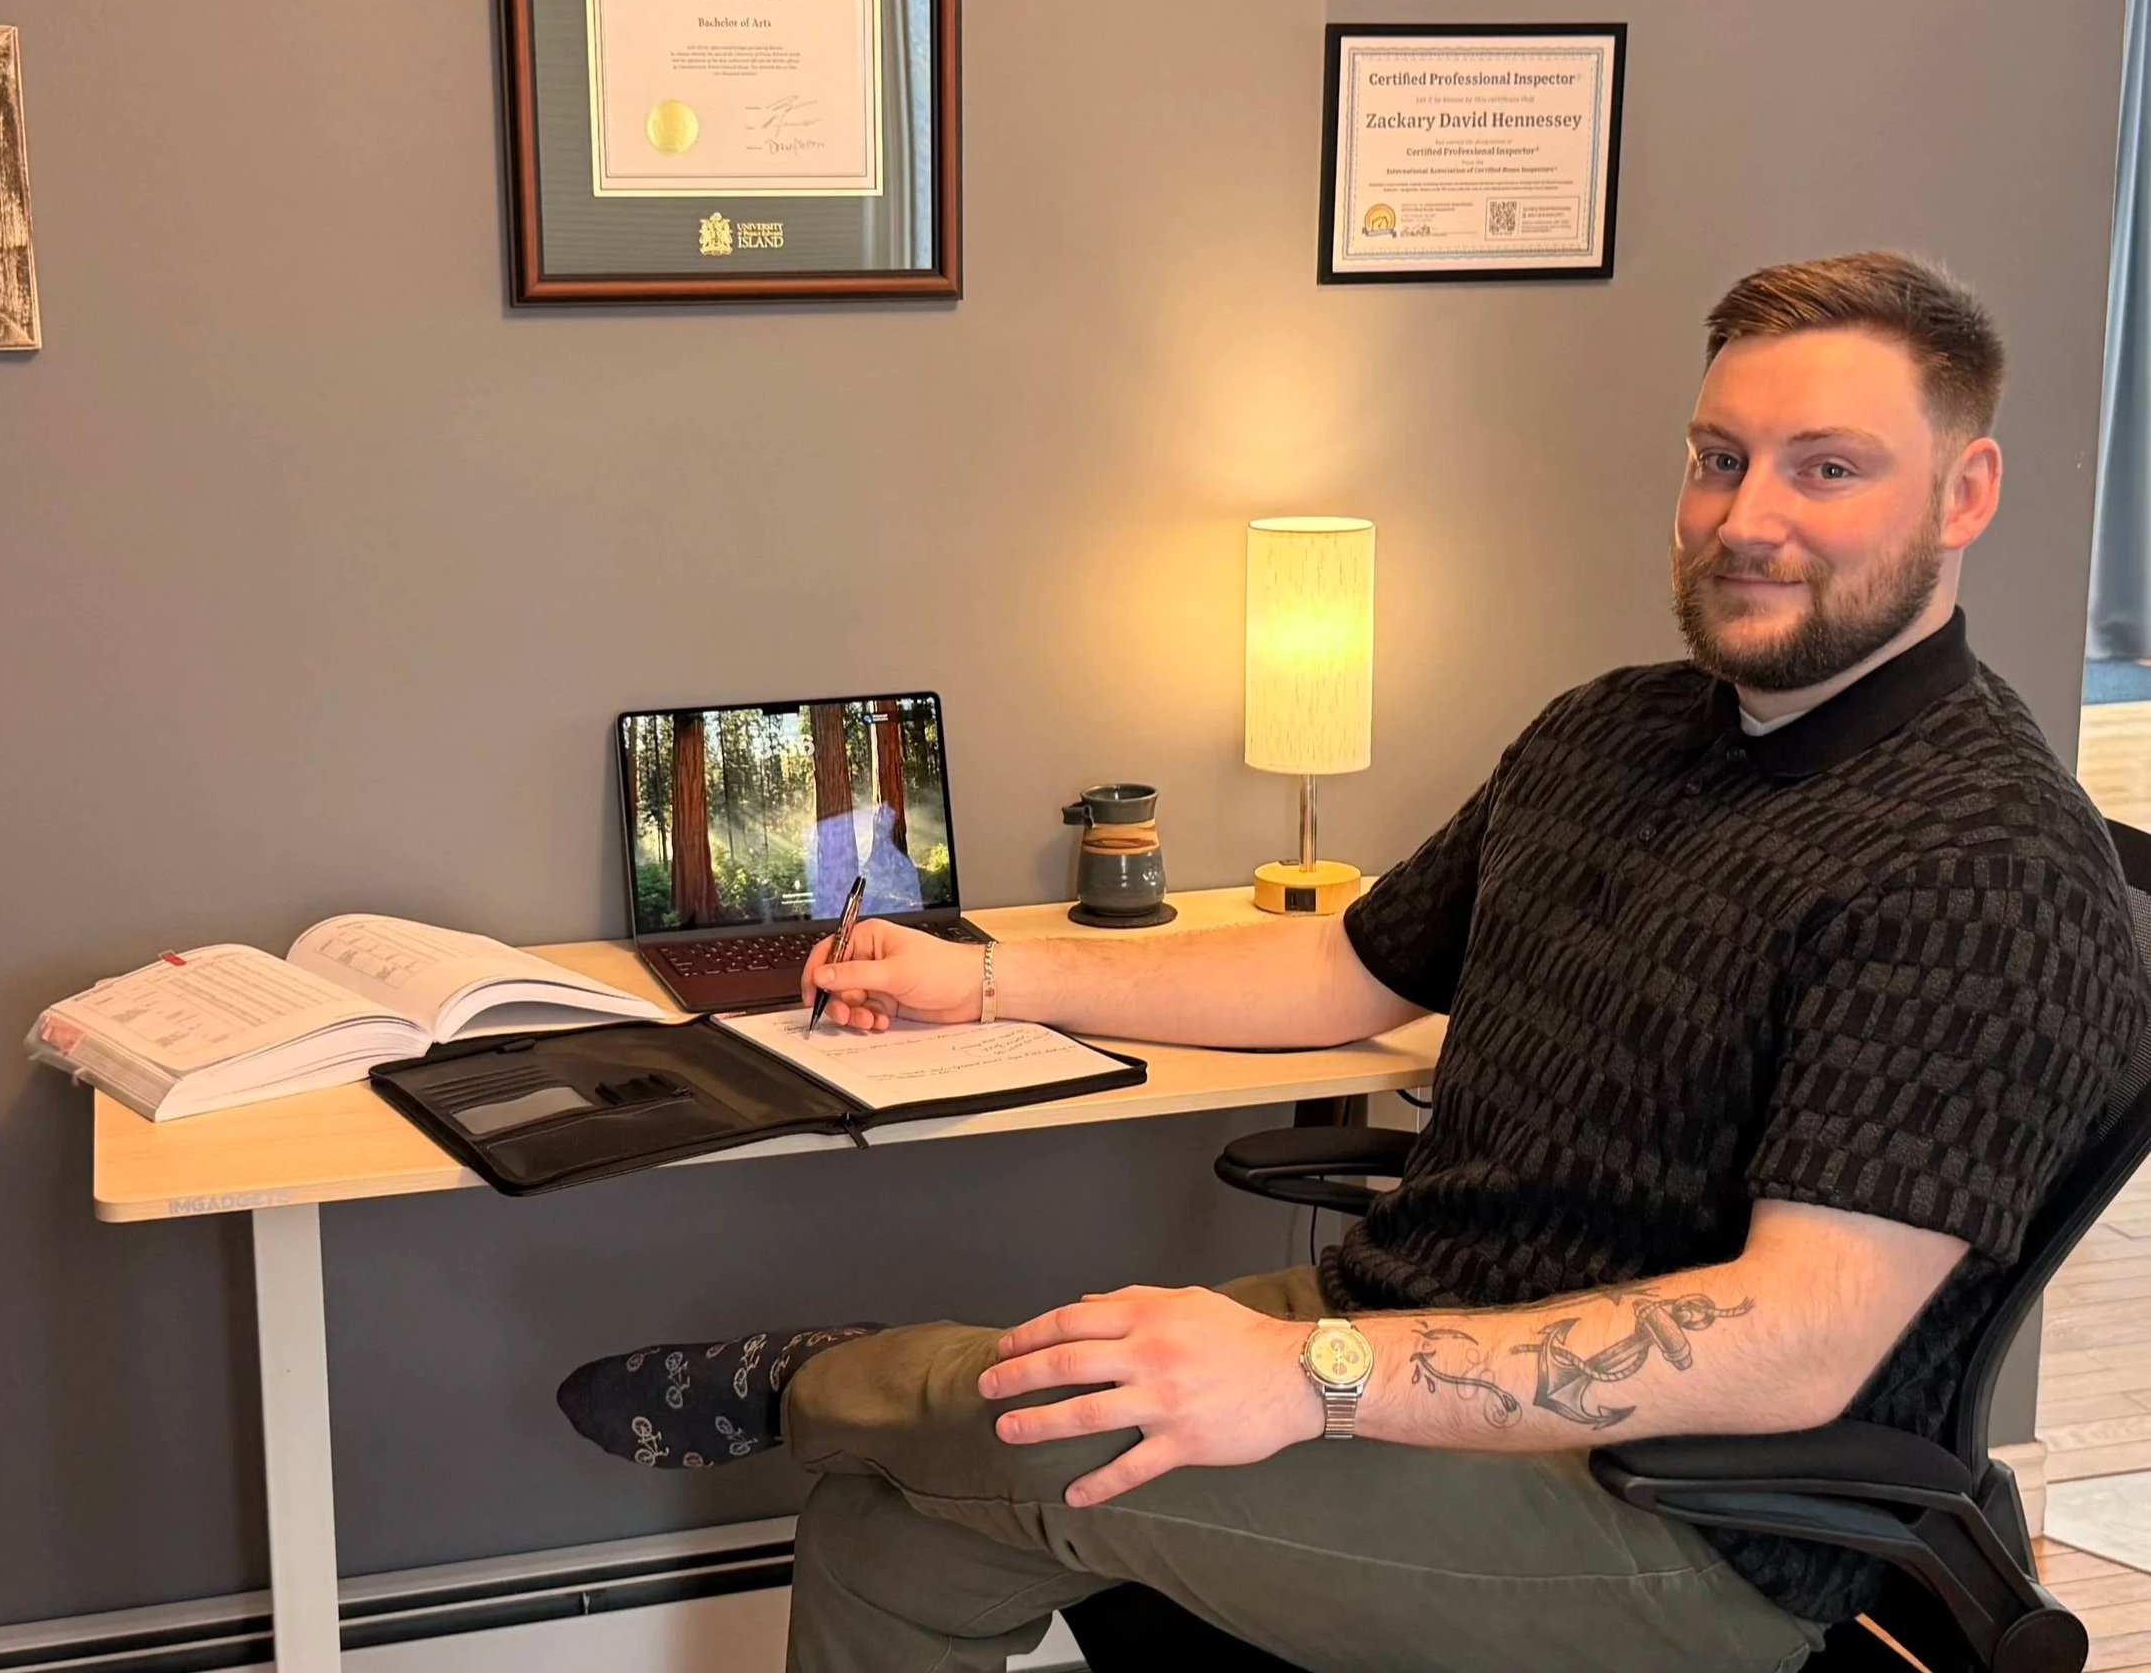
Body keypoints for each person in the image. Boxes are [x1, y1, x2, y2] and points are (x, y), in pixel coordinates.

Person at [556, 252, 2147, 1673]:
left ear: (1965, 490)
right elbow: (1345, 974)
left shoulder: (1979, 865)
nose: (1748, 518)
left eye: (1829, 469)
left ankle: (823, 1383)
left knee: (1019, 1438)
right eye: (1719, 459)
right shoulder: (1619, 730)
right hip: (1412, 1340)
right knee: (892, 1525)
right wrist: (987, 982)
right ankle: (881, 1393)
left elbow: (1796, 1338)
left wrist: (1308, 1373)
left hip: (1690, 1523)